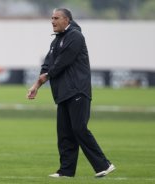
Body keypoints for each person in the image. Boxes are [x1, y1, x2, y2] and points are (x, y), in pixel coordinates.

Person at [27, 8, 115, 178]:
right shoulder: (56, 41)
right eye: (51, 18)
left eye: (56, 18)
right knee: (65, 133)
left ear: (67, 20)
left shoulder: (75, 36)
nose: (52, 21)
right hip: (63, 93)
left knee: (79, 129)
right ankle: (66, 171)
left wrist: (42, 79)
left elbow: (62, 63)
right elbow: (48, 63)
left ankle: (104, 164)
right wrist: (37, 84)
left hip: (77, 91)